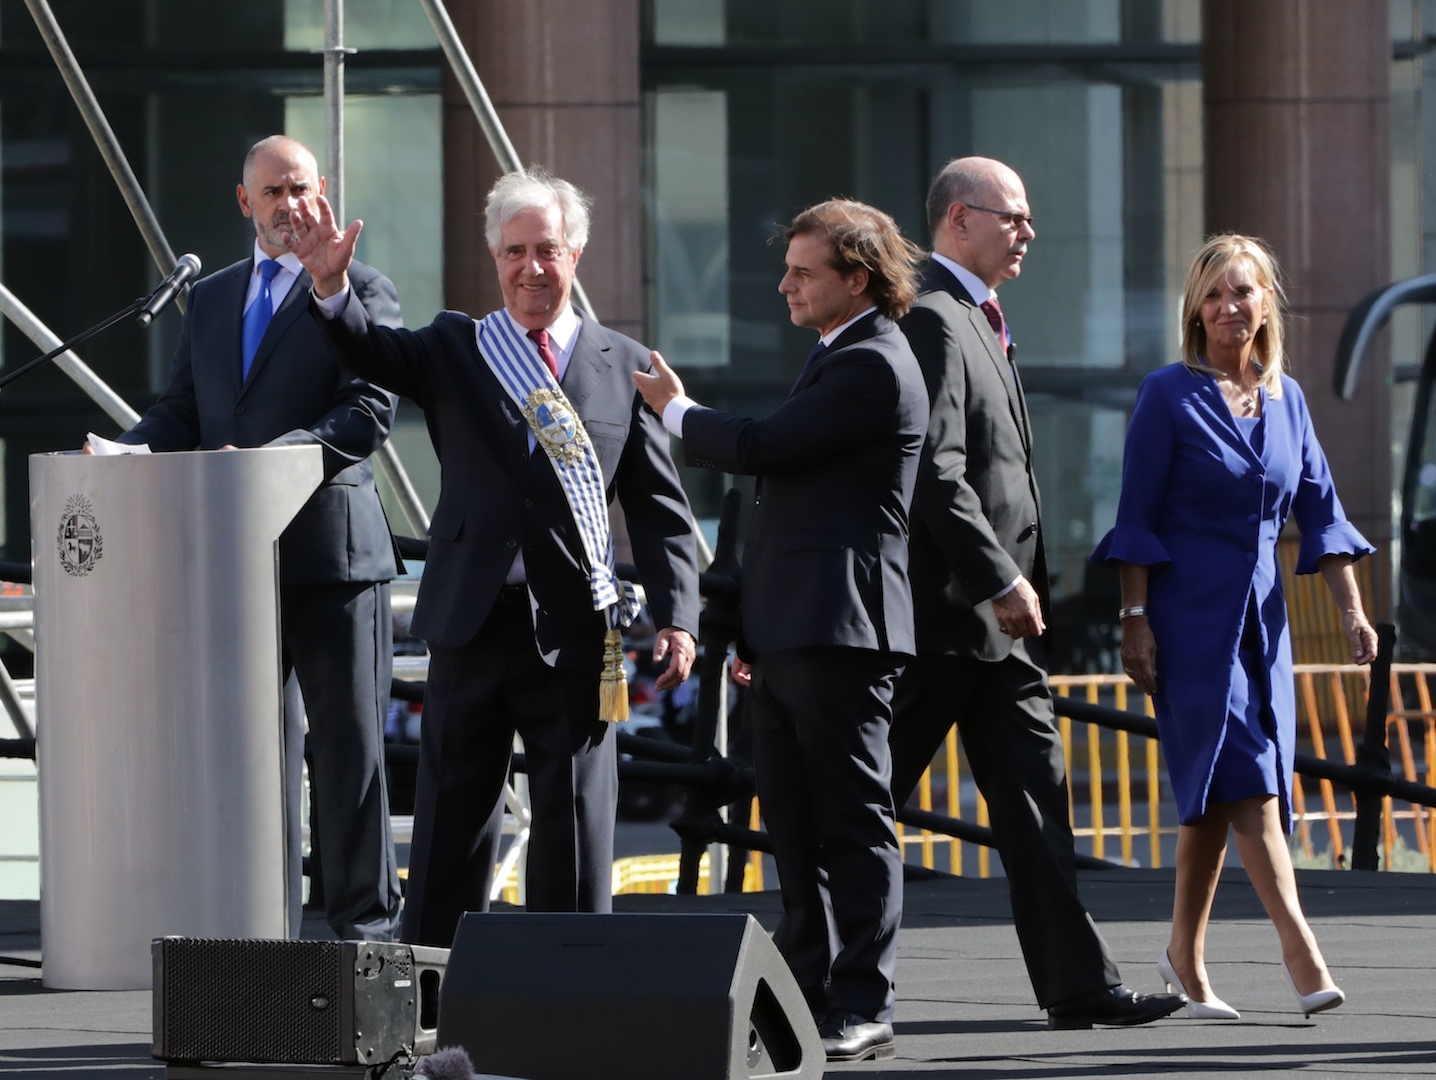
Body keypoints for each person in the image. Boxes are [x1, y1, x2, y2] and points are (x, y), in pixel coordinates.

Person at [287, 167, 701, 946]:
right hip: (471, 621)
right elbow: (369, 348)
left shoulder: (624, 362)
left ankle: (567, 991)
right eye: (514, 251)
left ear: (575, 254)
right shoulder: (456, 346)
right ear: (494, 258)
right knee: (450, 822)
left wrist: (679, 618)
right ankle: (434, 990)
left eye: (546, 249)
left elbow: (657, 505)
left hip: (578, 633)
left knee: (576, 824)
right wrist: (331, 286)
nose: (530, 268)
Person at [888, 156, 1186, 1029]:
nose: (1026, 233)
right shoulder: (936, 320)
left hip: (998, 637)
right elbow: (936, 472)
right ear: (956, 221)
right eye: (1011, 217)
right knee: (865, 808)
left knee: (1035, 802)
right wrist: (998, 578)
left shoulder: (979, 315)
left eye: (1027, 218)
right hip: (945, 622)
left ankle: (1077, 984)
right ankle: (801, 975)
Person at [634, 198, 928, 1063]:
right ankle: (804, 992)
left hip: (845, 632)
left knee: (851, 818)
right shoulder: (835, 357)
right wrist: (754, 636)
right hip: (797, 632)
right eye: (788, 268)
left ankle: (862, 998)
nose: (785, 285)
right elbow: (786, 505)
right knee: (795, 825)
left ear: (857, 279)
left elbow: (760, 447)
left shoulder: (874, 362)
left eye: (803, 272)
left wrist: (674, 410)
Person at [111, 134, 403, 941]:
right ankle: (250, 930)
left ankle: (363, 935)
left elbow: (368, 410)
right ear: (245, 203)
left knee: (345, 752)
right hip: (230, 562)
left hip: (331, 559)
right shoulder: (210, 298)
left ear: (323, 194)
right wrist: (123, 452)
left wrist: (269, 463)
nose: (289, 206)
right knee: (242, 753)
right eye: (272, 193)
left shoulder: (361, 289)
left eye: (301, 188)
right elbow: (182, 411)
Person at [1091, 233, 1378, 1019]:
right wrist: (1134, 620)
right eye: (1212, 295)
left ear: (1265, 305)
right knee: (1249, 772)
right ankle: (1300, 947)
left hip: (1263, 620)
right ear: (1195, 308)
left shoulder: (1287, 401)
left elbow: (1322, 511)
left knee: (1220, 791)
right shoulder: (1165, 393)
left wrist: (1351, 610)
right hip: (1182, 620)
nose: (1227, 307)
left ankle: (1182, 955)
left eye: (1241, 292)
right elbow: (1135, 520)